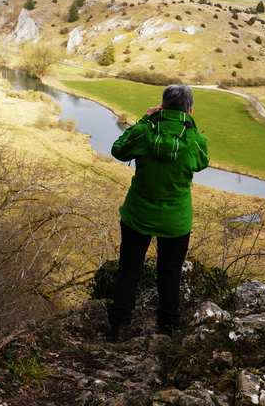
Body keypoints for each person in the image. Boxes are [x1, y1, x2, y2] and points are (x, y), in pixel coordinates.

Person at [108, 84, 209, 339]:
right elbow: (202, 162)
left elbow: (118, 149)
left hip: (138, 214)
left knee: (129, 270)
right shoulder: (195, 141)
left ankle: (119, 326)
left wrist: (146, 119)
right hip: (175, 220)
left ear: (162, 106)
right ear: (189, 109)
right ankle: (169, 328)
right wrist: (189, 125)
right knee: (170, 272)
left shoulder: (144, 132)